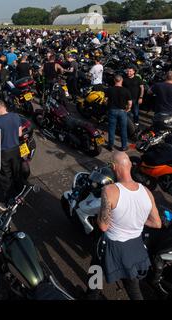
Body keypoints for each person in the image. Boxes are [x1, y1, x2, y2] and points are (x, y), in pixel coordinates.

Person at [92, 151, 162, 300]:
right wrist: (136, 220)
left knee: (96, 268)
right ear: (130, 165)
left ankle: (92, 295)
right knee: (132, 286)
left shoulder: (109, 190)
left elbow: (103, 226)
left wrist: (100, 216)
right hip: (135, 246)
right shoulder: (147, 192)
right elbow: (157, 223)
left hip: (113, 246)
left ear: (113, 167)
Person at [0, 100, 24, 211]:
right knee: (17, 172)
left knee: (6, 177)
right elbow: (20, 134)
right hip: (16, 149)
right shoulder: (16, 116)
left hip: (4, 152)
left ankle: (9, 201)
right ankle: (20, 193)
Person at [105, 75, 133, 152]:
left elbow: (105, 100)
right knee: (123, 129)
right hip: (122, 111)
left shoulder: (109, 89)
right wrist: (128, 109)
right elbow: (130, 103)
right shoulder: (126, 90)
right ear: (122, 80)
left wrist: (108, 105)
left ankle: (110, 146)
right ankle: (124, 146)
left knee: (111, 129)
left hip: (112, 110)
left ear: (114, 80)